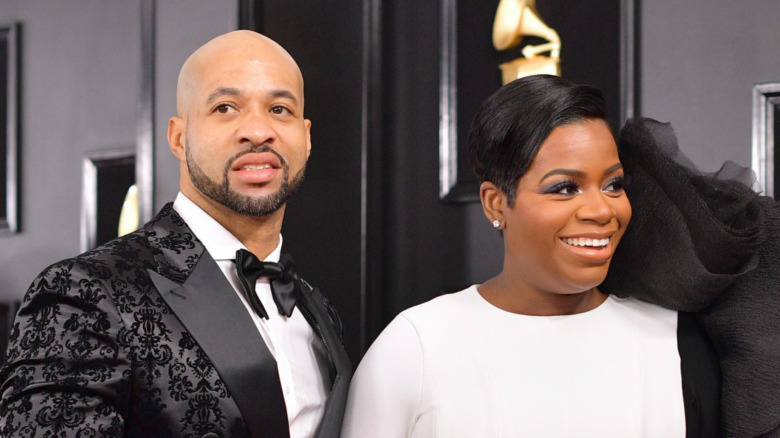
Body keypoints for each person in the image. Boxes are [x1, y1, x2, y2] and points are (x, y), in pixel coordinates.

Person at [0, 30, 351, 438]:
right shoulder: (81, 292)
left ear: (306, 138)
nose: (258, 131)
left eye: (279, 108)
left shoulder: (318, 309)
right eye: (225, 107)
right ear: (179, 138)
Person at [340, 75, 723, 437]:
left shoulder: (674, 340)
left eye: (613, 184)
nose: (602, 211)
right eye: (565, 188)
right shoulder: (415, 347)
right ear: (495, 204)